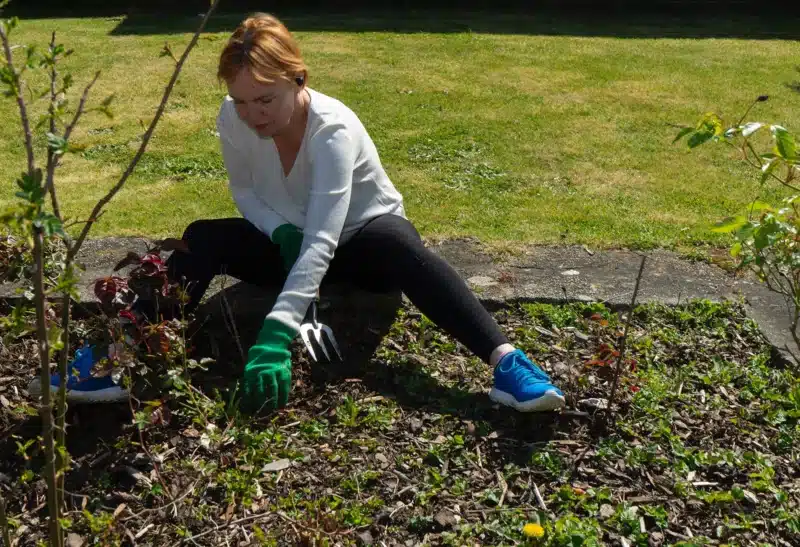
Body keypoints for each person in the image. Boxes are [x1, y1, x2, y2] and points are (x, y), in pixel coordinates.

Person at [32, 13, 566, 414]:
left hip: (360, 248)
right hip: (290, 242)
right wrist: (279, 229)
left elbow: (325, 237)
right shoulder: (233, 118)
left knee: (400, 242)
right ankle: (118, 358)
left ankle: (507, 365)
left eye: (264, 100)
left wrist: (276, 331)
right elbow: (244, 191)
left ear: (299, 80)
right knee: (201, 237)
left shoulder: (333, 130)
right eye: (241, 100)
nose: (251, 114)